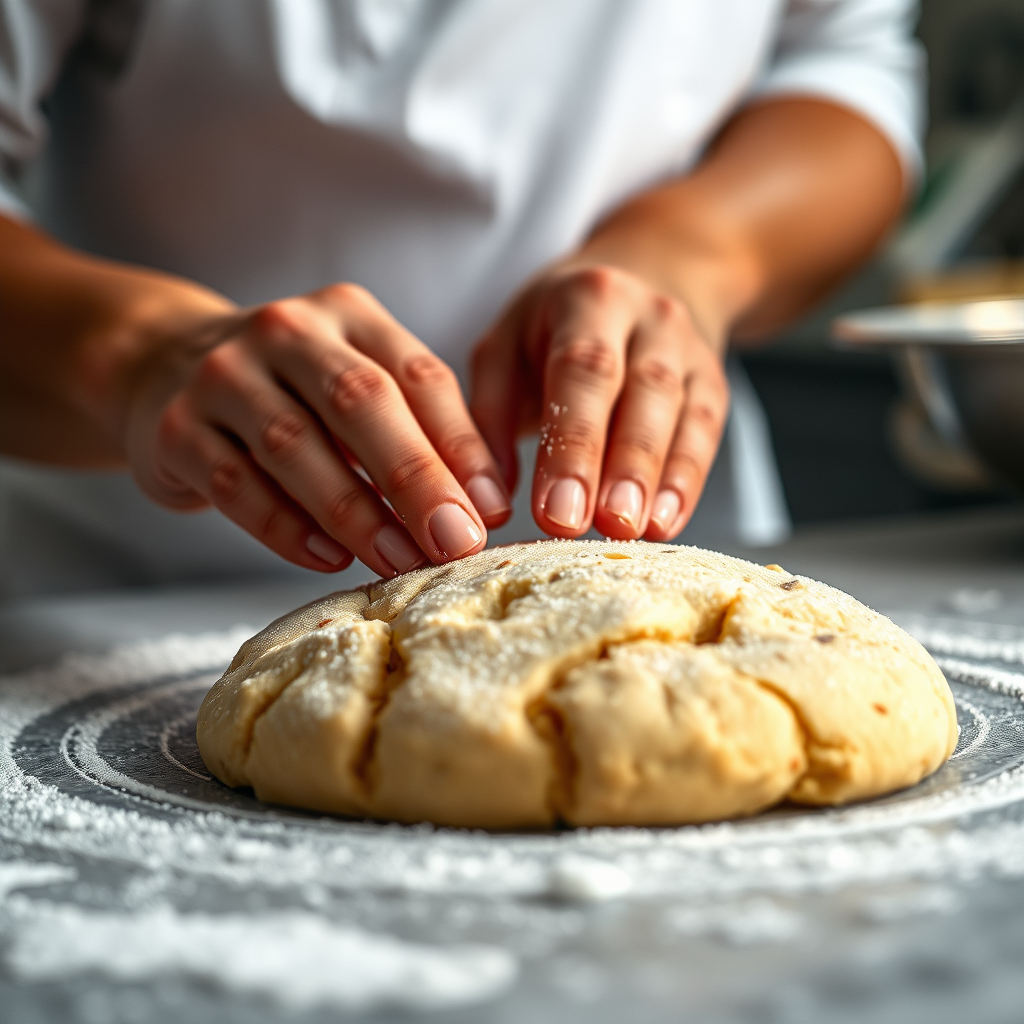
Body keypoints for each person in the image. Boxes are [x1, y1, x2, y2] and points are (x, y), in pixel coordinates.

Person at [0, 0, 917, 598]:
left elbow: (845, 67)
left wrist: (693, 253)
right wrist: (134, 357)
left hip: (665, 558)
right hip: (120, 586)